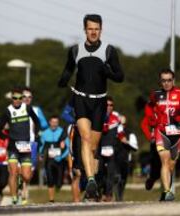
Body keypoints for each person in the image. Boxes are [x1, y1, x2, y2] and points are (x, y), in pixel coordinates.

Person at [58, 14, 124, 200]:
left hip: (99, 102)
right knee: (85, 139)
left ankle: (92, 182)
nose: (93, 32)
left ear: (101, 29)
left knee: (93, 147)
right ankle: (91, 181)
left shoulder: (109, 51)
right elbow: (68, 69)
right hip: (81, 99)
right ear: (84, 30)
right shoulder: (75, 50)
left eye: (96, 28)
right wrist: (63, 79)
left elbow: (120, 76)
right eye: (90, 28)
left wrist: (108, 71)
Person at [145, 68, 180, 201]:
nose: (166, 83)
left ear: (173, 80)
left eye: (169, 80)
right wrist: (152, 120)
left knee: (171, 166)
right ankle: (168, 191)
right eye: (163, 81)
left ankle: (164, 192)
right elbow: (148, 107)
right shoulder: (155, 94)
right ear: (160, 82)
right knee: (165, 162)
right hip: (161, 132)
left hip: (177, 133)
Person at [0, 88, 40, 205]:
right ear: (12, 99)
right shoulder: (8, 111)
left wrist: (36, 135)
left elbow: (37, 121)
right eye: (15, 98)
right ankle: (14, 197)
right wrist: (6, 138)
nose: (17, 100)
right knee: (13, 172)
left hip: (25, 146)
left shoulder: (27, 108)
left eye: (20, 98)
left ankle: (21, 180)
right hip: (13, 147)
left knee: (27, 176)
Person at [96, 97, 122, 202]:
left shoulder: (116, 117)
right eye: (107, 105)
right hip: (100, 148)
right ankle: (99, 192)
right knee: (100, 172)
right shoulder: (98, 116)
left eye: (111, 105)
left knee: (111, 173)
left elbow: (120, 131)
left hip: (112, 148)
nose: (109, 107)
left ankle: (108, 194)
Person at [39, 116, 69, 203]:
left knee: (59, 183)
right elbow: (42, 146)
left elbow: (67, 148)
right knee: (50, 178)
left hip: (60, 160)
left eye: (56, 122)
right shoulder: (45, 133)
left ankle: (58, 186)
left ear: (58, 123)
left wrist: (61, 156)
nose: (54, 124)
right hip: (50, 159)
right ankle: (51, 199)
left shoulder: (62, 132)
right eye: (53, 122)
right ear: (50, 122)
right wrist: (40, 155)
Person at [115, 115, 138, 201]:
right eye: (120, 124)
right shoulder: (112, 133)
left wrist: (126, 142)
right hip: (114, 159)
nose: (121, 126)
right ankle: (116, 196)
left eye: (123, 124)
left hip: (125, 160)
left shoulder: (130, 134)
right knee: (116, 178)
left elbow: (135, 147)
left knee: (123, 179)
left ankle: (120, 196)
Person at [141, 104, 161, 191]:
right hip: (156, 142)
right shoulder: (154, 112)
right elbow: (143, 125)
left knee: (167, 165)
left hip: (169, 140)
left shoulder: (172, 110)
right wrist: (150, 137)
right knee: (156, 166)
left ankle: (168, 191)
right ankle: (152, 178)